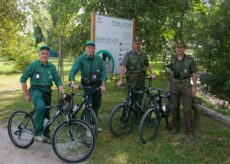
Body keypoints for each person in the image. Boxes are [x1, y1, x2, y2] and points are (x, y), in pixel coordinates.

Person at [20, 45, 65, 142]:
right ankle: (37, 134)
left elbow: (58, 81)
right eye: (42, 53)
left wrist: (64, 93)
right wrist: (26, 94)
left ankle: (45, 134)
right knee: (41, 107)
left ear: (49, 55)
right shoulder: (33, 65)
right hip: (36, 90)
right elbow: (23, 79)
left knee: (46, 113)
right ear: (39, 54)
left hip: (47, 91)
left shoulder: (52, 67)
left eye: (46, 53)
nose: (44, 55)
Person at [69, 40, 107, 132]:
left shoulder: (98, 59)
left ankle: (94, 124)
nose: (90, 49)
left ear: (94, 49)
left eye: (92, 48)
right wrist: (73, 83)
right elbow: (73, 71)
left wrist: (103, 85)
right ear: (85, 49)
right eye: (88, 48)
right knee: (88, 106)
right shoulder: (81, 59)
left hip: (97, 86)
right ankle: (87, 128)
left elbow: (103, 72)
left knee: (96, 106)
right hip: (87, 87)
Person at [116, 37, 156, 117]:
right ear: (133, 44)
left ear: (141, 44)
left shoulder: (143, 55)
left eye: (139, 43)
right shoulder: (129, 55)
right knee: (131, 97)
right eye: (136, 43)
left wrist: (152, 73)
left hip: (141, 78)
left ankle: (137, 114)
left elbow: (148, 65)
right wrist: (120, 79)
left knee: (140, 96)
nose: (137, 45)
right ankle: (127, 114)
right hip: (132, 78)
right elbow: (123, 67)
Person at [169, 40, 197, 140]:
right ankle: (175, 127)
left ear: (184, 48)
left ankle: (189, 131)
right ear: (175, 48)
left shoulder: (190, 59)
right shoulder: (173, 58)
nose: (179, 49)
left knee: (188, 109)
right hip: (175, 84)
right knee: (174, 108)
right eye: (177, 47)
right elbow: (171, 71)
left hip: (186, 85)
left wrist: (194, 87)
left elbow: (194, 73)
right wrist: (170, 79)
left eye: (181, 47)